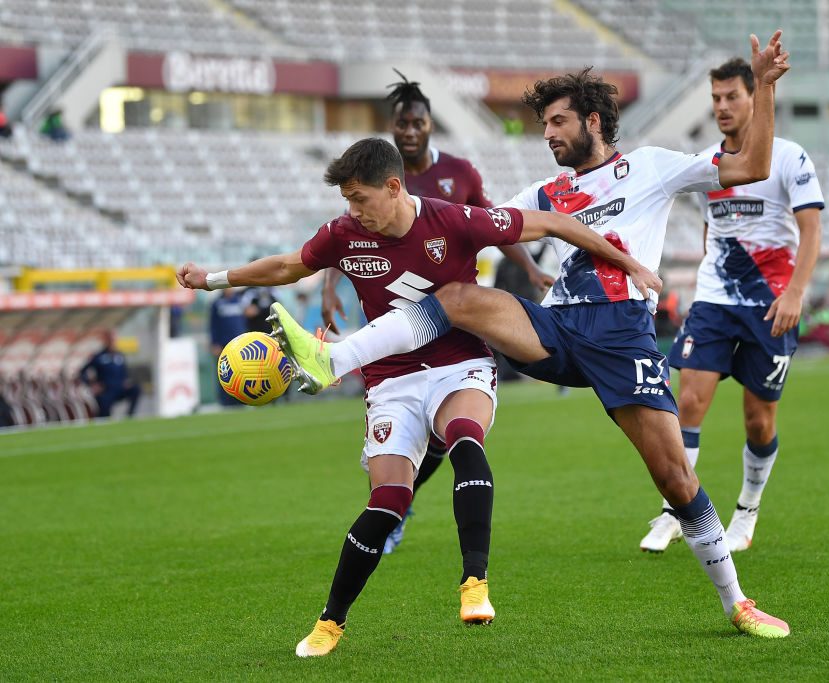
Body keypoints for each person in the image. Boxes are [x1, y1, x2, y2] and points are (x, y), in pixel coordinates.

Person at [269, 32, 794, 639]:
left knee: (676, 479)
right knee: (457, 298)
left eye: (557, 121)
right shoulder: (542, 195)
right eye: (544, 123)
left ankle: (737, 603)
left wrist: (769, 87)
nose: (547, 133)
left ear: (592, 121)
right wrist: (361, 239)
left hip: (623, 338)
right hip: (554, 328)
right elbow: (458, 229)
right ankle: (337, 359)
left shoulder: (650, 167)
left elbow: (752, 166)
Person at [176, 137, 653, 656]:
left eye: (360, 199)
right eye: (347, 201)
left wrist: (630, 266)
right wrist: (212, 280)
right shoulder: (345, 234)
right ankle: (330, 622)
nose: (353, 211)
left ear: (394, 187)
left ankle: (475, 584)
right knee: (388, 501)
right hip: (390, 380)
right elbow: (289, 266)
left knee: (465, 439)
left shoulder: (455, 221)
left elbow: (559, 223)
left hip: (460, 365)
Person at [320, 72, 555, 554]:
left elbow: (490, 224)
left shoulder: (459, 175)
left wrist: (530, 269)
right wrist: (330, 285)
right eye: (402, 123)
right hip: (395, 320)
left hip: (451, 321)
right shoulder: (375, 181)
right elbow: (344, 238)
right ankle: (395, 506)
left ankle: (401, 509)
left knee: (448, 433)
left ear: (430, 125)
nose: (409, 131)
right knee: (419, 428)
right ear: (393, 127)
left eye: (418, 122)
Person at [642, 57, 823, 555]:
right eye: (715, 98)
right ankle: (674, 512)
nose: (722, 107)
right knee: (689, 401)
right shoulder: (708, 163)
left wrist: (796, 292)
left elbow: (812, 230)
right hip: (716, 301)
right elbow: (710, 231)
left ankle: (747, 511)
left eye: (731, 97)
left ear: (754, 97)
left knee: (758, 420)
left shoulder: (789, 157)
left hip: (772, 305)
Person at [79, 330, 141, 418]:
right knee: (104, 415)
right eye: (111, 339)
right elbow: (82, 372)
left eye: (114, 339)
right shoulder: (98, 356)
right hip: (106, 391)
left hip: (120, 389)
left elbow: (125, 373)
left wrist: (126, 381)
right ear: (106, 340)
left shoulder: (120, 356)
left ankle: (130, 416)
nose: (113, 342)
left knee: (136, 389)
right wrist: (92, 384)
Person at [209, 288, 248, 406]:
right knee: (224, 373)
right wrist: (214, 342)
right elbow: (213, 324)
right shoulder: (217, 303)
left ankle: (242, 399)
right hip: (223, 345)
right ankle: (225, 401)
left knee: (242, 372)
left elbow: (244, 321)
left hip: (240, 344)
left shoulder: (240, 300)